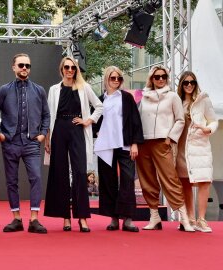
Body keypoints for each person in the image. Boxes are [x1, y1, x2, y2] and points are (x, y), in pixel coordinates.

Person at [44, 56, 103, 232]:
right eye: (67, 67)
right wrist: (47, 138)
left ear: (76, 70)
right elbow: (49, 116)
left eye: (73, 68)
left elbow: (99, 106)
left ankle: (82, 217)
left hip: (77, 129)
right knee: (60, 173)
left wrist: (88, 120)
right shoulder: (54, 89)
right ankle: (65, 217)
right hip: (59, 130)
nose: (70, 70)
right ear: (61, 69)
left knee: (79, 172)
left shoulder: (84, 87)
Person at [0, 53, 50, 234]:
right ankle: (16, 218)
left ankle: (34, 219)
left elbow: (46, 115)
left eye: (27, 65)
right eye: (21, 65)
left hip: (32, 143)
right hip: (10, 143)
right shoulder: (4, 90)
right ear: (14, 67)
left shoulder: (39, 90)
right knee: (12, 181)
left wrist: (42, 134)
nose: (24, 68)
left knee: (36, 178)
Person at [136, 65, 194, 232]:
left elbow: (180, 120)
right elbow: (138, 120)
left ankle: (184, 219)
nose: (160, 79)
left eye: (163, 76)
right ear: (151, 79)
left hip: (163, 142)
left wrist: (170, 138)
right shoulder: (144, 97)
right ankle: (154, 217)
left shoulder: (173, 96)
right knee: (147, 180)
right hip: (144, 142)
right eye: (157, 77)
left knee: (170, 179)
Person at [93, 66, 144, 232]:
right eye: (113, 78)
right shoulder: (100, 100)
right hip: (106, 145)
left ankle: (128, 219)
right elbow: (94, 120)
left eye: (119, 78)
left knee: (128, 180)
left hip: (125, 144)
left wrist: (135, 143)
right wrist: (97, 130)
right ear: (106, 79)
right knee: (108, 182)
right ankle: (113, 218)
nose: (116, 81)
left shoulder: (127, 98)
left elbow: (136, 121)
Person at [176, 71, 218, 233]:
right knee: (185, 183)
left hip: (200, 146)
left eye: (192, 82)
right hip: (181, 148)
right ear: (181, 84)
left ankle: (202, 219)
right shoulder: (177, 101)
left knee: (204, 182)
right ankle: (190, 218)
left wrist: (207, 129)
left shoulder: (203, 100)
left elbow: (213, 120)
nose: (189, 85)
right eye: (185, 82)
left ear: (195, 84)